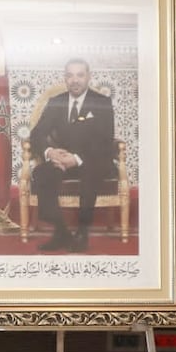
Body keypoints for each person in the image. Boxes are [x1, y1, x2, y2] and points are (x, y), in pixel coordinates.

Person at [28, 57, 117, 252]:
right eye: (70, 75)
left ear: (88, 77)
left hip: (93, 160)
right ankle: (61, 232)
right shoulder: (56, 102)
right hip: (62, 159)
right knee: (42, 173)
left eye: (80, 75)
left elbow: (104, 140)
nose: (74, 80)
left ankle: (82, 232)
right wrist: (51, 152)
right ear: (65, 78)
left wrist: (75, 160)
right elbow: (37, 134)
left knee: (90, 171)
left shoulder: (102, 102)